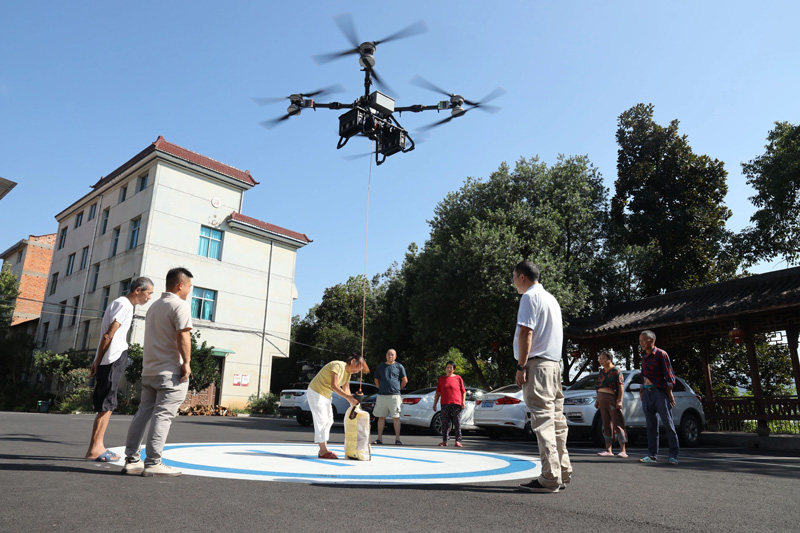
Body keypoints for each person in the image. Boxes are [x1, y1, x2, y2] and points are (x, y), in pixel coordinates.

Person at [122, 267, 194, 477]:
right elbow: (183, 336)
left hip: (150, 371)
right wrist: (187, 362)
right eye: (189, 286)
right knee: (163, 416)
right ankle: (153, 461)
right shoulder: (180, 306)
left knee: (143, 413)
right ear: (181, 285)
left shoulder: (154, 306)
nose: (189, 290)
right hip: (170, 372)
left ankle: (132, 460)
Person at [512, 261, 571, 493]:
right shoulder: (551, 299)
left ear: (523, 276)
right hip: (554, 365)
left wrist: (521, 366)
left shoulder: (529, 297)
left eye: (514, 278)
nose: (514, 282)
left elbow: (526, 332)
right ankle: (562, 471)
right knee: (557, 422)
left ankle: (549, 477)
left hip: (537, 365)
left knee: (543, 421)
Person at [84, 277, 154, 462]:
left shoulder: (118, 302)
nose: (149, 298)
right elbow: (108, 335)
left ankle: (97, 447)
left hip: (109, 358)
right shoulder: (125, 306)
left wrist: (98, 360)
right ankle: (95, 449)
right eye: (149, 293)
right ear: (138, 290)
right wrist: (98, 360)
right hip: (112, 357)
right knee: (107, 405)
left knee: (105, 404)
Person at [307, 354, 370, 459]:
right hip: (316, 392)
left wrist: (354, 403)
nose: (357, 372)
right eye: (357, 368)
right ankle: (323, 450)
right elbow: (334, 386)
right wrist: (349, 398)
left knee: (329, 420)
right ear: (353, 361)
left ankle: (323, 450)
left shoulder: (348, 374)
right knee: (321, 420)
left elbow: (346, 390)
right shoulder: (338, 365)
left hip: (325, 395)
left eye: (359, 371)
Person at [638, 330, 679, 465]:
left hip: (659, 392)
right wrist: (641, 389)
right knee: (651, 426)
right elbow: (643, 375)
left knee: (668, 424)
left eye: (644, 340)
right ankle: (652, 455)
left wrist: (670, 393)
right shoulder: (643, 357)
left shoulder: (661, 354)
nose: (641, 343)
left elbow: (669, 375)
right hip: (647, 393)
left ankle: (673, 455)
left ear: (652, 340)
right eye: (640, 341)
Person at [594, 351, 628, 458]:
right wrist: (597, 400)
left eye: (603, 358)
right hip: (602, 398)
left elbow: (621, 386)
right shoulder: (601, 372)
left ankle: (623, 450)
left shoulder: (616, 370)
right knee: (606, 424)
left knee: (617, 422)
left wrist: (620, 400)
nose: (601, 360)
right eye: (600, 358)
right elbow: (598, 386)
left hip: (612, 399)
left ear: (609, 359)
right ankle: (608, 449)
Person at [373, 348, 408, 445]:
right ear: (386, 355)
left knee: (396, 417)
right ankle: (379, 439)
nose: (390, 356)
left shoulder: (399, 366)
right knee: (381, 417)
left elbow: (404, 380)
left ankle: (397, 439)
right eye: (389, 354)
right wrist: (380, 387)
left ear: (395, 356)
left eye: (392, 354)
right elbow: (376, 379)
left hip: (394, 396)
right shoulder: (381, 367)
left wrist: (398, 389)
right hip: (382, 396)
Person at [433, 360, 466, 447]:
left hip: (456, 404)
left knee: (457, 422)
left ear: (453, 369)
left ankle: (458, 441)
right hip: (445, 404)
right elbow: (438, 392)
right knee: (445, 423)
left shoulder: (458, 378)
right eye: (447, 367)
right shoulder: (442, 379)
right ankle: (445, 440)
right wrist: (435, 403)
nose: (448, 369)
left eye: (450, 367)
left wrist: (463, 402)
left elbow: (463, 391)